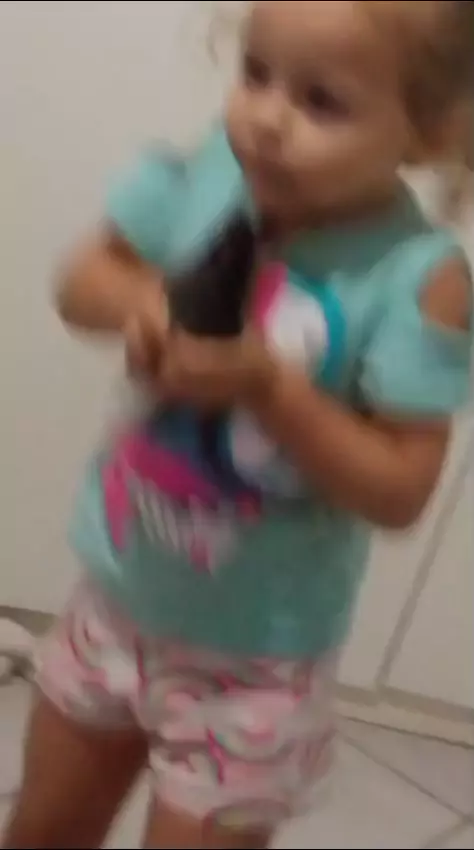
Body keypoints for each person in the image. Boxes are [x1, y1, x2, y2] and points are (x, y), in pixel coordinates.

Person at [3, 2, 473, 848]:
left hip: (257, 665)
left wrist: (270, 389)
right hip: (117, 598)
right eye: (256, 74)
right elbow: (82, 280)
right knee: (42, 829)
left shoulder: (419, 276)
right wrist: (147, 302)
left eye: (321, 101)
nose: (264, 117)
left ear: (427, 130)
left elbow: (401, 488)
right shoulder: (214, 168)